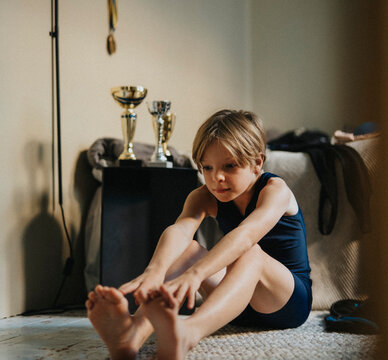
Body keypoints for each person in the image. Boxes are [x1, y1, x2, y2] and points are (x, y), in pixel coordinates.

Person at [85, 109, 312, 360]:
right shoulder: (203, 196)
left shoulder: (274, 190)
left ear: (257, 163)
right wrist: (155, 271)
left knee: (251, 253)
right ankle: (131, 336)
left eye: (230, 166)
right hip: (236, 304)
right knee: (190, 249)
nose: (217, 178)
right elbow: (180, 231)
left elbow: (246, 236)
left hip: (286, 303)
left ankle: (188, 333)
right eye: (207, 167)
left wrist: (197, 274)